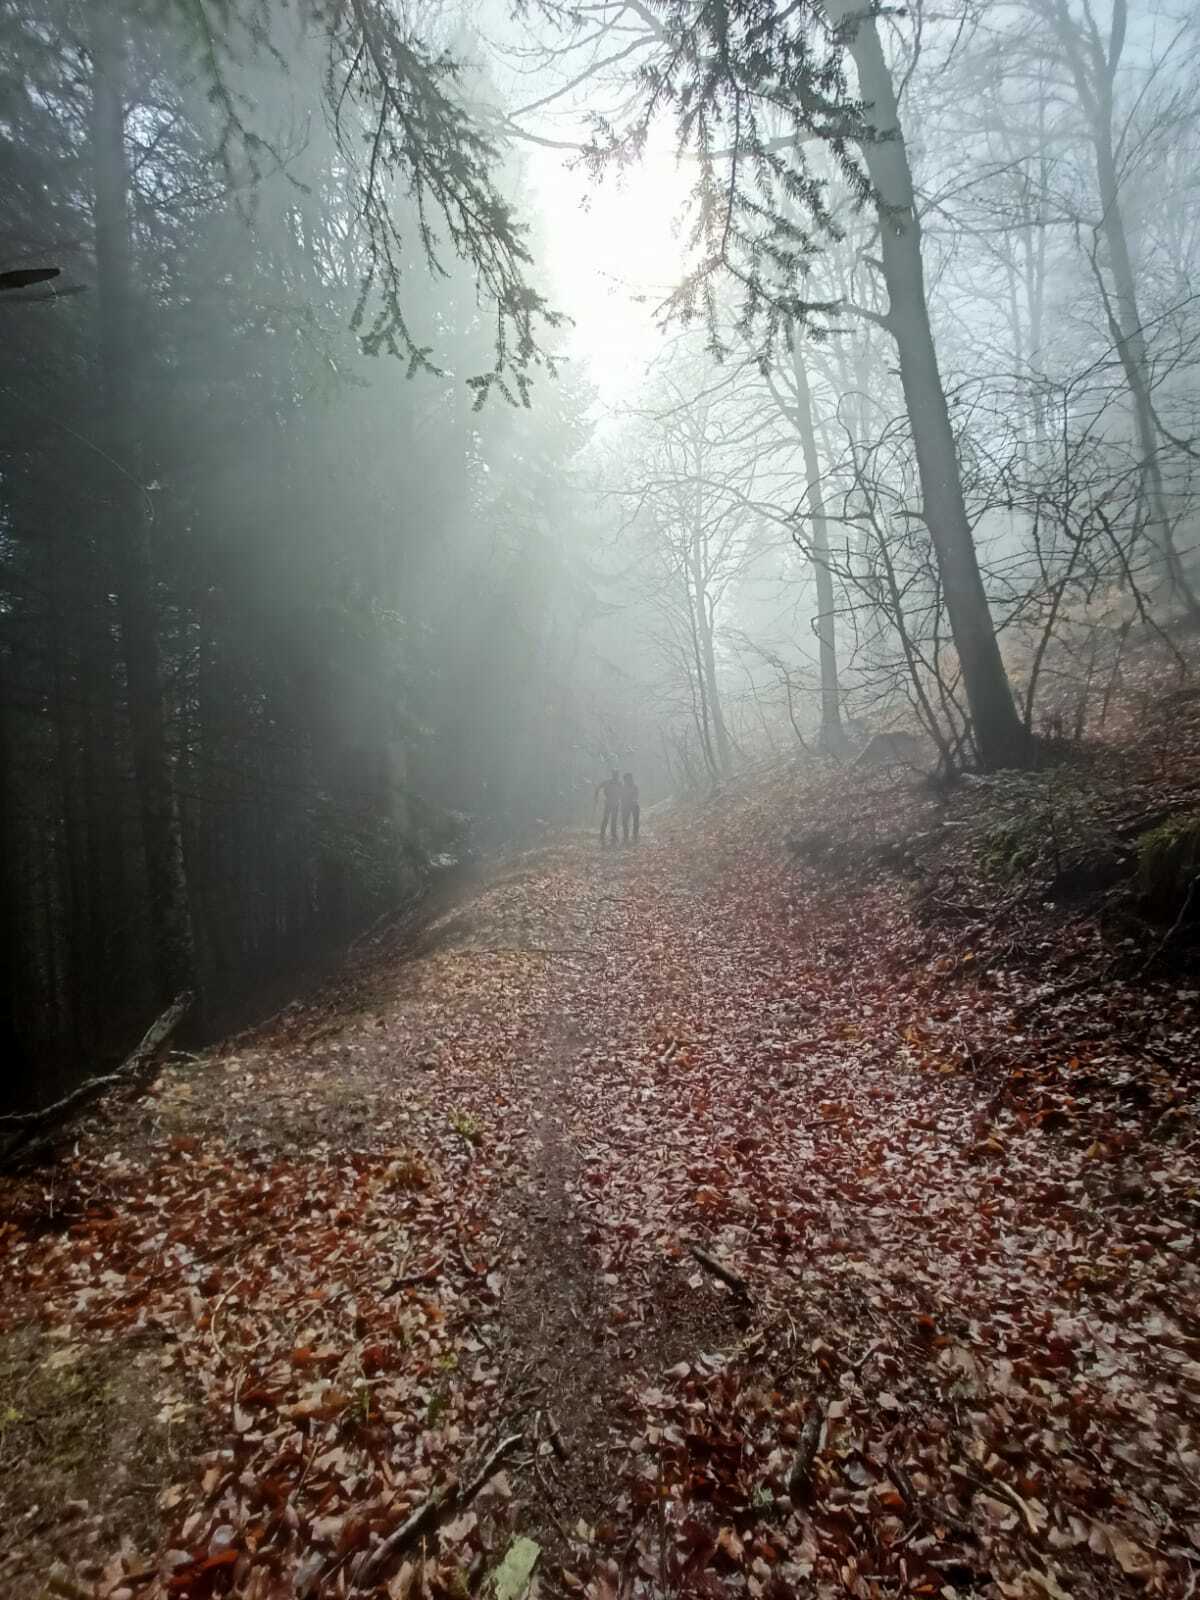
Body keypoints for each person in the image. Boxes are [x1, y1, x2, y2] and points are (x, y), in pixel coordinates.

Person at [594, 769, 621, 844]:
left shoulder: (619, 783)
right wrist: (596, 797)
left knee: (613, 820)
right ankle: (602, 835)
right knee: (606, 819)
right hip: (609, 803)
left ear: (617, 775)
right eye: (615, 774)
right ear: (613, 775)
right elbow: (598, 787)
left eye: (617, 775)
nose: (616, 776)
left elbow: (623, 793)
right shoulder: (607, 782)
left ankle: (613, 835)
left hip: (615, 803)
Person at [621, 772, 640, 844]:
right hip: (626, 806)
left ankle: (635, 835)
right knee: (625, 822)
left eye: (629, 778)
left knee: (635, 821)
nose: (628, 780)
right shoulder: (623, 787)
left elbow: (636, 795)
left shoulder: (634, 786)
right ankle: (626, 836)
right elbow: (621, 797)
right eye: (626, 779)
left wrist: (634, 800)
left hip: (633, 805)